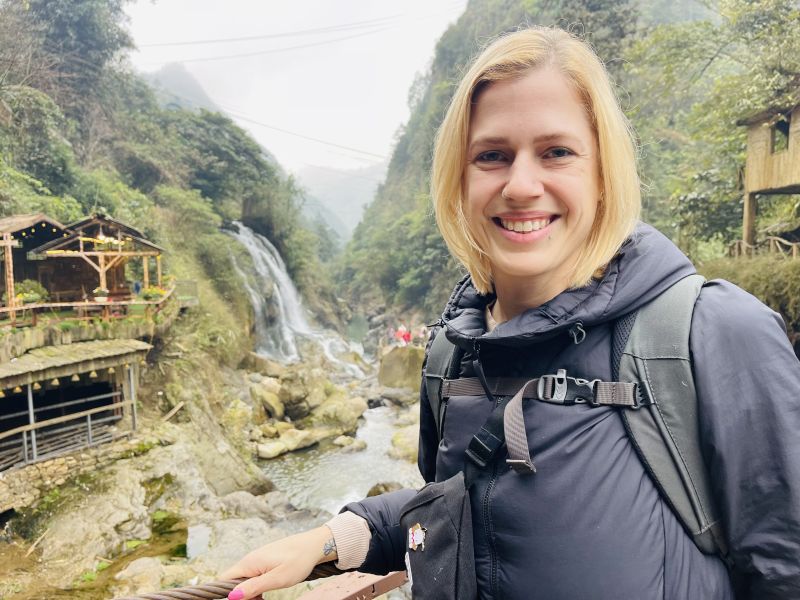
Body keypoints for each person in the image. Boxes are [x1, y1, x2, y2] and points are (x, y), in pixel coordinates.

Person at [221, 27, 800, 599]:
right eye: (492, 156)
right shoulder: (454, 351)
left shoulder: (713, 335)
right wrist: (332, 538)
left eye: (557, 152)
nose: (521, 185)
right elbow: (457, 510)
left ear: (603, 173)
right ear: (460, 178)